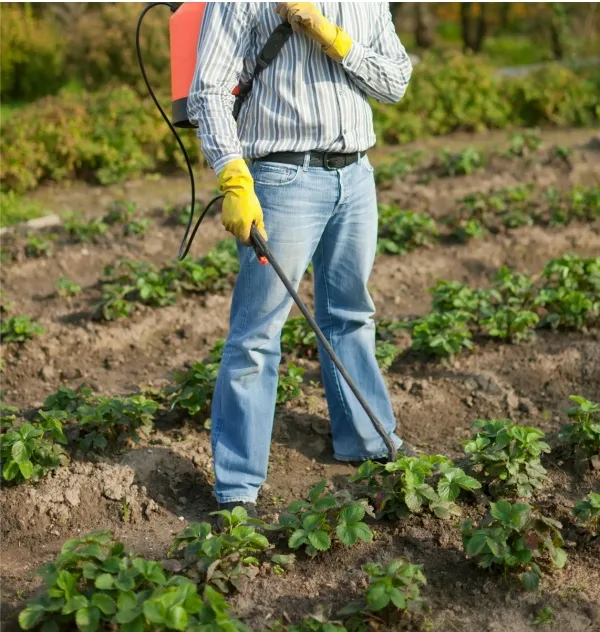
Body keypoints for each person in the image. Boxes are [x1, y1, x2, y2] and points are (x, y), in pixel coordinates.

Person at [187, 2, 414, 517]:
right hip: (282, 180)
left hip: (355, 176)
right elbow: (208, 92)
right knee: (258, 336)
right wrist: (233, 177)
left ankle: (367, 442)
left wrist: (335, 39)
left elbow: (395, 82)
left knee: (351, 316)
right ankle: (238, 488)